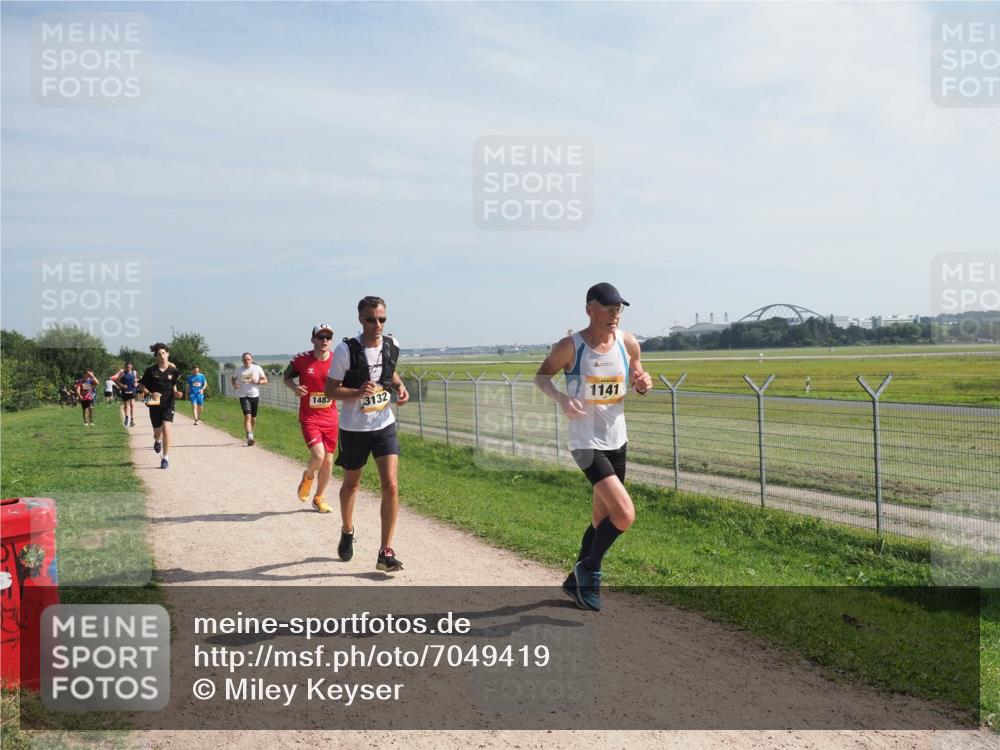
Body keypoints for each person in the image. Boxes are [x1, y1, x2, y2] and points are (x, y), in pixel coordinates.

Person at [534, 282, 653, 611]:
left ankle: (575, 582)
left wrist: (644, 382)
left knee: (602, 519)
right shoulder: (570, 347)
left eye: (619, 309)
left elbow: (639, 376)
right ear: (590, 309)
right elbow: (542, 377)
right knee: (625, 514)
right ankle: (590, 570)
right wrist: (561, 399)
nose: (615, 314)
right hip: (585, 442)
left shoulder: (628, 343)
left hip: (617, 440)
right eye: (608, 308)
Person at [325, 296, 409, 574]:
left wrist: (399, 386)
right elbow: (330, 390)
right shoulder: (345, 350)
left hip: (384, 424)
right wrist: (358, 392)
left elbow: (389, 371)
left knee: (392, 485)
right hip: (353, 428)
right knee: (351, 485)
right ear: (360, 319)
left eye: (382, 319)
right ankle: (347, 530)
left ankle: (385, 551)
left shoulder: (391, 345)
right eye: (371, 319)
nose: (377, 325)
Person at [283, 325, 339, 513]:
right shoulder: (301, 360)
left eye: (328, 337)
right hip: (310, 417)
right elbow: (286, 377)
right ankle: (307, 478)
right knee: (318, 455)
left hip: (331, 417)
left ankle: (318, 498)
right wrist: (295, 388)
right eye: (320, 337)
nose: (324, 341)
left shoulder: (337, 360)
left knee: (328, 462)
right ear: (313, 339)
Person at [138, 343, 183, 469]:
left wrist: (177, 393)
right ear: (156, 357)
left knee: (167, 430)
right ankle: (157, 441)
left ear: (167, 354)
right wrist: (148, 393)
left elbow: (174, 386)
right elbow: (140, 385)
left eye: (164, 353)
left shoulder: (174, 371)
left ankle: (165, 459)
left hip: (169, 403)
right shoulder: (150, 370)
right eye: (159, 354)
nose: (162, 356)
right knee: (157, 432)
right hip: (154, 402)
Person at [231, 353, 268, 446]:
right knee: (247, 416)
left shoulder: (257, 368)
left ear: (251, 360)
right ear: (242, 361)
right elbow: (233, 378)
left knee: (253, 418)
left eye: (248, 359)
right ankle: (250, 437)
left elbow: (266, 381)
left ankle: (250, 432)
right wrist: (234, 384)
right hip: (243, 396)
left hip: (255, 395)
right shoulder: (239, 370)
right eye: (245, 360)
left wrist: (258, 381)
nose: (247, 361)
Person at [112, 362, 139, 427]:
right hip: (125, 391)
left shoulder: (134, 373)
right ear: (125, 367)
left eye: (129, 367)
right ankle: (126, 417)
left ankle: (132, 420)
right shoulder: (123, 373)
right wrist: (122, 385)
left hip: (132, 390)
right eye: (127, 367)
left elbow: (136, 380)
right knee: (126, 406)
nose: (128, 368)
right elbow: (116, 380)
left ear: (131, 367)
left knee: (132, 405)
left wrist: (136, 383)